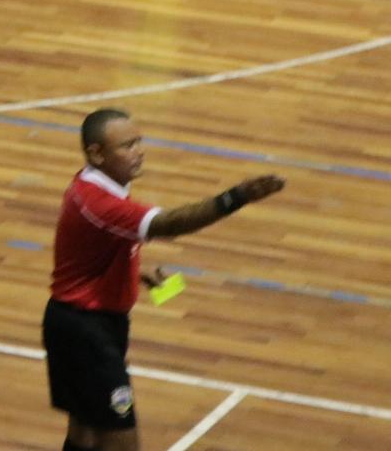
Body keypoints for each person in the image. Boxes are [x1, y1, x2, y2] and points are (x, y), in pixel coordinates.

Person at [44, 109, 284, 451]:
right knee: (120, 441)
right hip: (86, 333)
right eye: (127, 145)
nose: (139, 150)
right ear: (96, 154)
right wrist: (236, 197)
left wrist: (134, 273)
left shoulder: (97, 186)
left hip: (83, 324)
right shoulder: (99, 201)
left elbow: (87, 254)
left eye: (139, 141)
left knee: (85, 434)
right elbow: (169, 224)